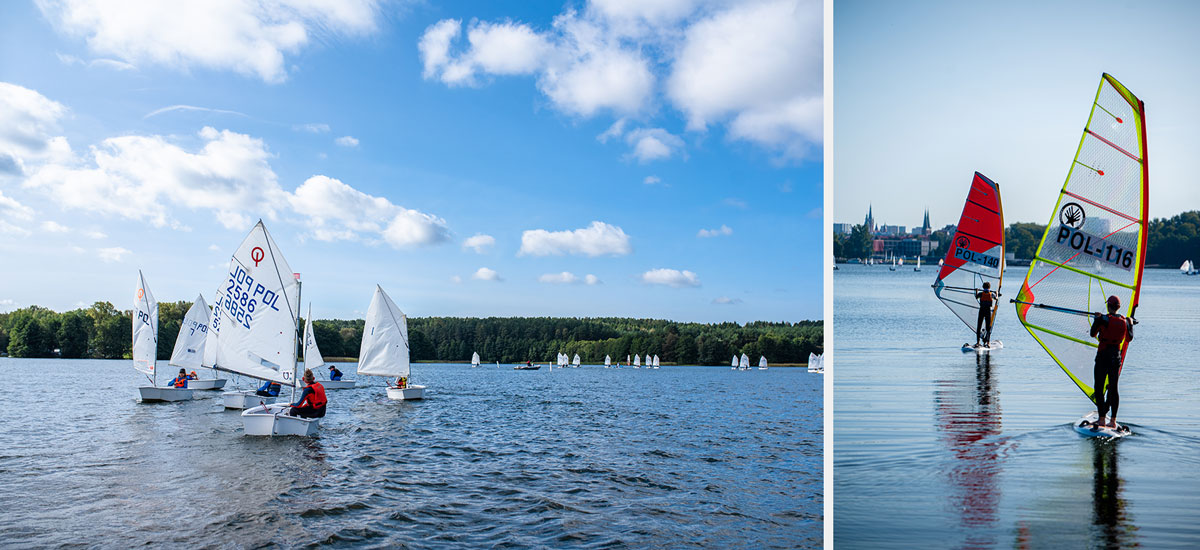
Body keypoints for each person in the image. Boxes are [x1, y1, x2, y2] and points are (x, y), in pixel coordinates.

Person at [1088, 295, 1133, 429]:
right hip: (1116, 357)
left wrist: (1097, 320)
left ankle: (1102, 419)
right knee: (1113, 388)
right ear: (1119, 307)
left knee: (1099, 387)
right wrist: (1130, 323)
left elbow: (1092, 334)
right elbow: (1129, 338)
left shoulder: (1103, 320)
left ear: (1108, 306)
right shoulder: (1125, 321)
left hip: (1103, 356)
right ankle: (1113, 421)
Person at [975, 281, 996, 347]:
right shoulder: (992, 294)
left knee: (979, 327)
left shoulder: (981, 294)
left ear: (983, 287)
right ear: (989, 287)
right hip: (988, 311)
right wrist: (997, 293)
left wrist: (976, 291)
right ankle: (987, 342)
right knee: (988, 328)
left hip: (982, 310)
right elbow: (996, 298)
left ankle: (978, 342)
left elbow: (976, 296)